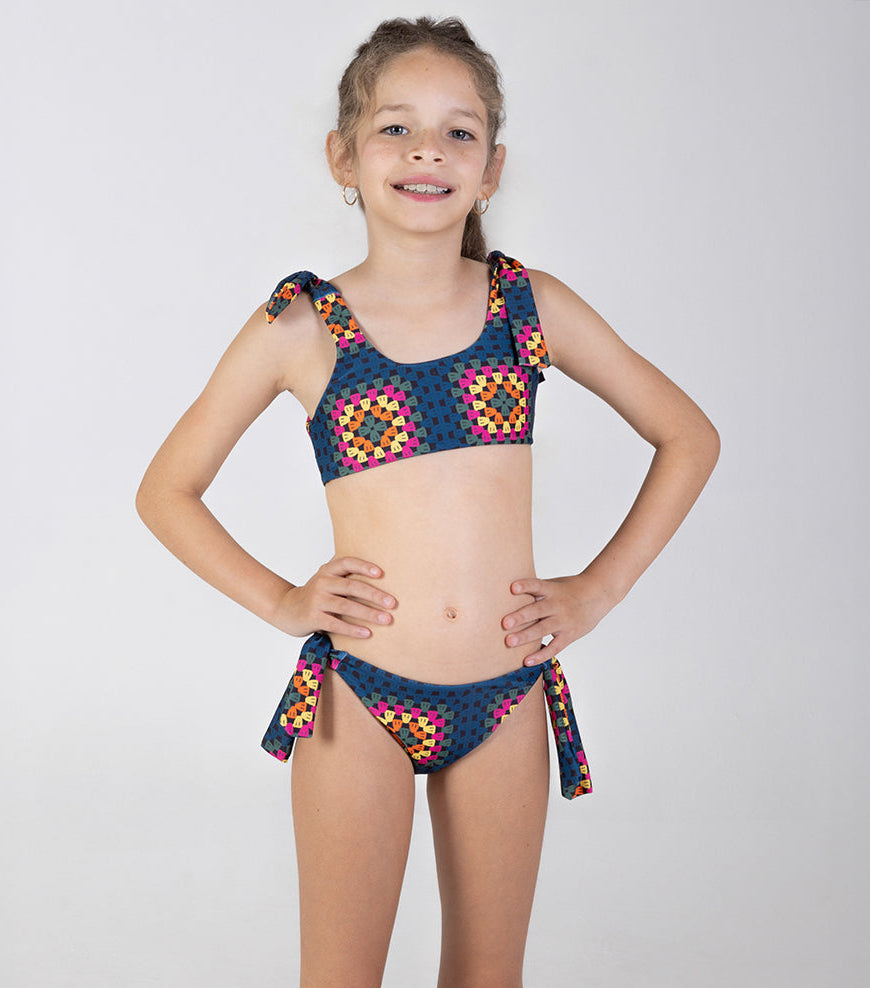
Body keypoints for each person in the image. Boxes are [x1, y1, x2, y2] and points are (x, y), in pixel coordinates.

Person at [136, 15, 719, 987]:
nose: (425, 151)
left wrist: (598, 590)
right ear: (343, 156)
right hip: (358, 701)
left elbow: (687, 435)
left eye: (459, 131)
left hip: (507, 697)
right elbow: (167, 490)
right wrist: (285, 600)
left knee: (489, 977)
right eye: (395, 127)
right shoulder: (300, 326)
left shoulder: (530, 309)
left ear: (491, 168)